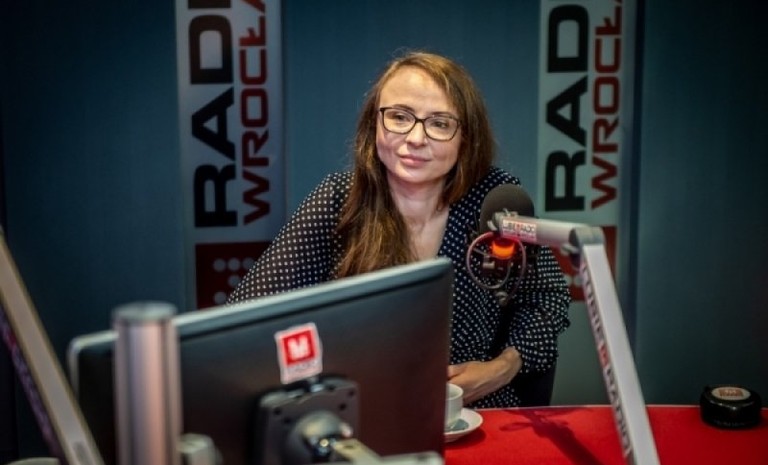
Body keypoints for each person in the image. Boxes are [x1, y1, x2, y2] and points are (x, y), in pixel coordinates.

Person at [227, 50, 571, 408]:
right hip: (359, 412)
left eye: (440, 123)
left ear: (466, 137)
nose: (416, 137)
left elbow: (547, 296)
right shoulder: (339, 200)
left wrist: (502, 368)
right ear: (374, 123)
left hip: (474, 409)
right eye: (399, 117)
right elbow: (249, 317)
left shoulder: (493, 199)